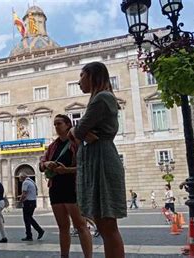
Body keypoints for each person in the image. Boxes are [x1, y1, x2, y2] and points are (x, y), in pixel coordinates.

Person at [68, 62, 126, 258]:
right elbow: (82, 131)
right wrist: (80, 132)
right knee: (104, 225)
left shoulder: (102, 98)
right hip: (98, 159)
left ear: (93, 76)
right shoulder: (101, 99)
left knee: (108, 226)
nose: (79, 81)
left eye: (82, 76)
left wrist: (75, 130)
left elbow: (79, 130)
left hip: (101, 161)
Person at [39, 114, 92, 258]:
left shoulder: (77, 143)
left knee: (80, 225)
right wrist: (46, 164)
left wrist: (67, 170)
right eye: (55, 124)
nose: (56, 126)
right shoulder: (52, 146)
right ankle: (64, 256)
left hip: (72, 187)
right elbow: (41, 163)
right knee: (63, 227)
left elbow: (86, 166)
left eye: (59, 123)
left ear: (68, 124)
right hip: (56, 188)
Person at [18, 172, 45, 241]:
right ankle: (30, 234)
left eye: (20, 177)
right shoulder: (32, 181)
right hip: (33, 202)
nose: (19, 179)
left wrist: (20, 202)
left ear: (22, 177)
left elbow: (24, 194)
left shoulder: (25, 183)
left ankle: (37, 231)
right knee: (28, 218)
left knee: (27, 218)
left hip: (28, 202)